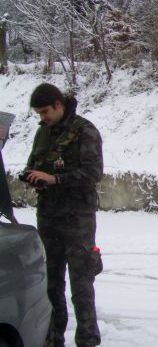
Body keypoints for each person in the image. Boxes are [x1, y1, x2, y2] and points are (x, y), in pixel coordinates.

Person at [24, 83, 104, 347]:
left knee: (81, 285)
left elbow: (93, 174)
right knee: (50, 283)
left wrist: (55, 179)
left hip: (77, 218)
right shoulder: (44, 132)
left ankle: (87, 340)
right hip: (48, 216)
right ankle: (53, 338)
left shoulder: (84, 131)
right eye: (39, 114)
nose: (43, 117)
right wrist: (33, 176)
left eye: (45, 111)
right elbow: (35, 163)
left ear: (59, 105)